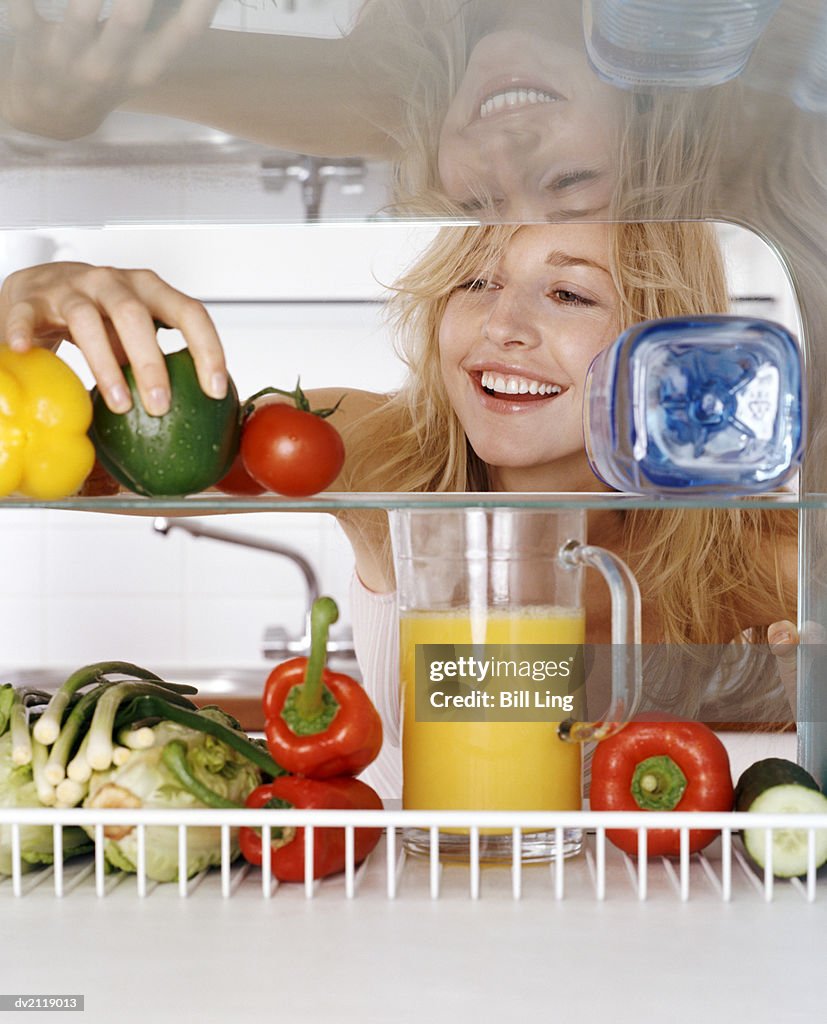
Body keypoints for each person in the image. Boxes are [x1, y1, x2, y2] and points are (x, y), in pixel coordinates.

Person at [0, 219, 799, 795]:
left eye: (567, 292)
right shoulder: (386, 447)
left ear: (669, 338)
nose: (499, 326)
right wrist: (20, 336)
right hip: (414, 913)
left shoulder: (767, 548)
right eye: (475, 280)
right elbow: (91, 468)